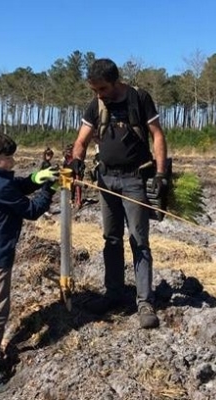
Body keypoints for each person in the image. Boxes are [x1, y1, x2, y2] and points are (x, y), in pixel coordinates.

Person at [68, 58, 168, 329]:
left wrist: (160, 174)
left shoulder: (139, 98)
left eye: (102, 88)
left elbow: (157, 135)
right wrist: (77, 159)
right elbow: (81, 140)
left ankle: (145, 301)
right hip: (105, 179)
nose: (98, 94)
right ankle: (113, 294)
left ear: (115, 82)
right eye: (94, 89)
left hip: (135, 179)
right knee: (111, 239)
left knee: (139, 240)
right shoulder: (96, 105)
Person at [0, 132, 59, 394]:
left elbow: (15, 185)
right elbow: (31, 210)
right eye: (7, 158)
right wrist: (48, 188)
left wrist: (34, 179)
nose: (12, 161)